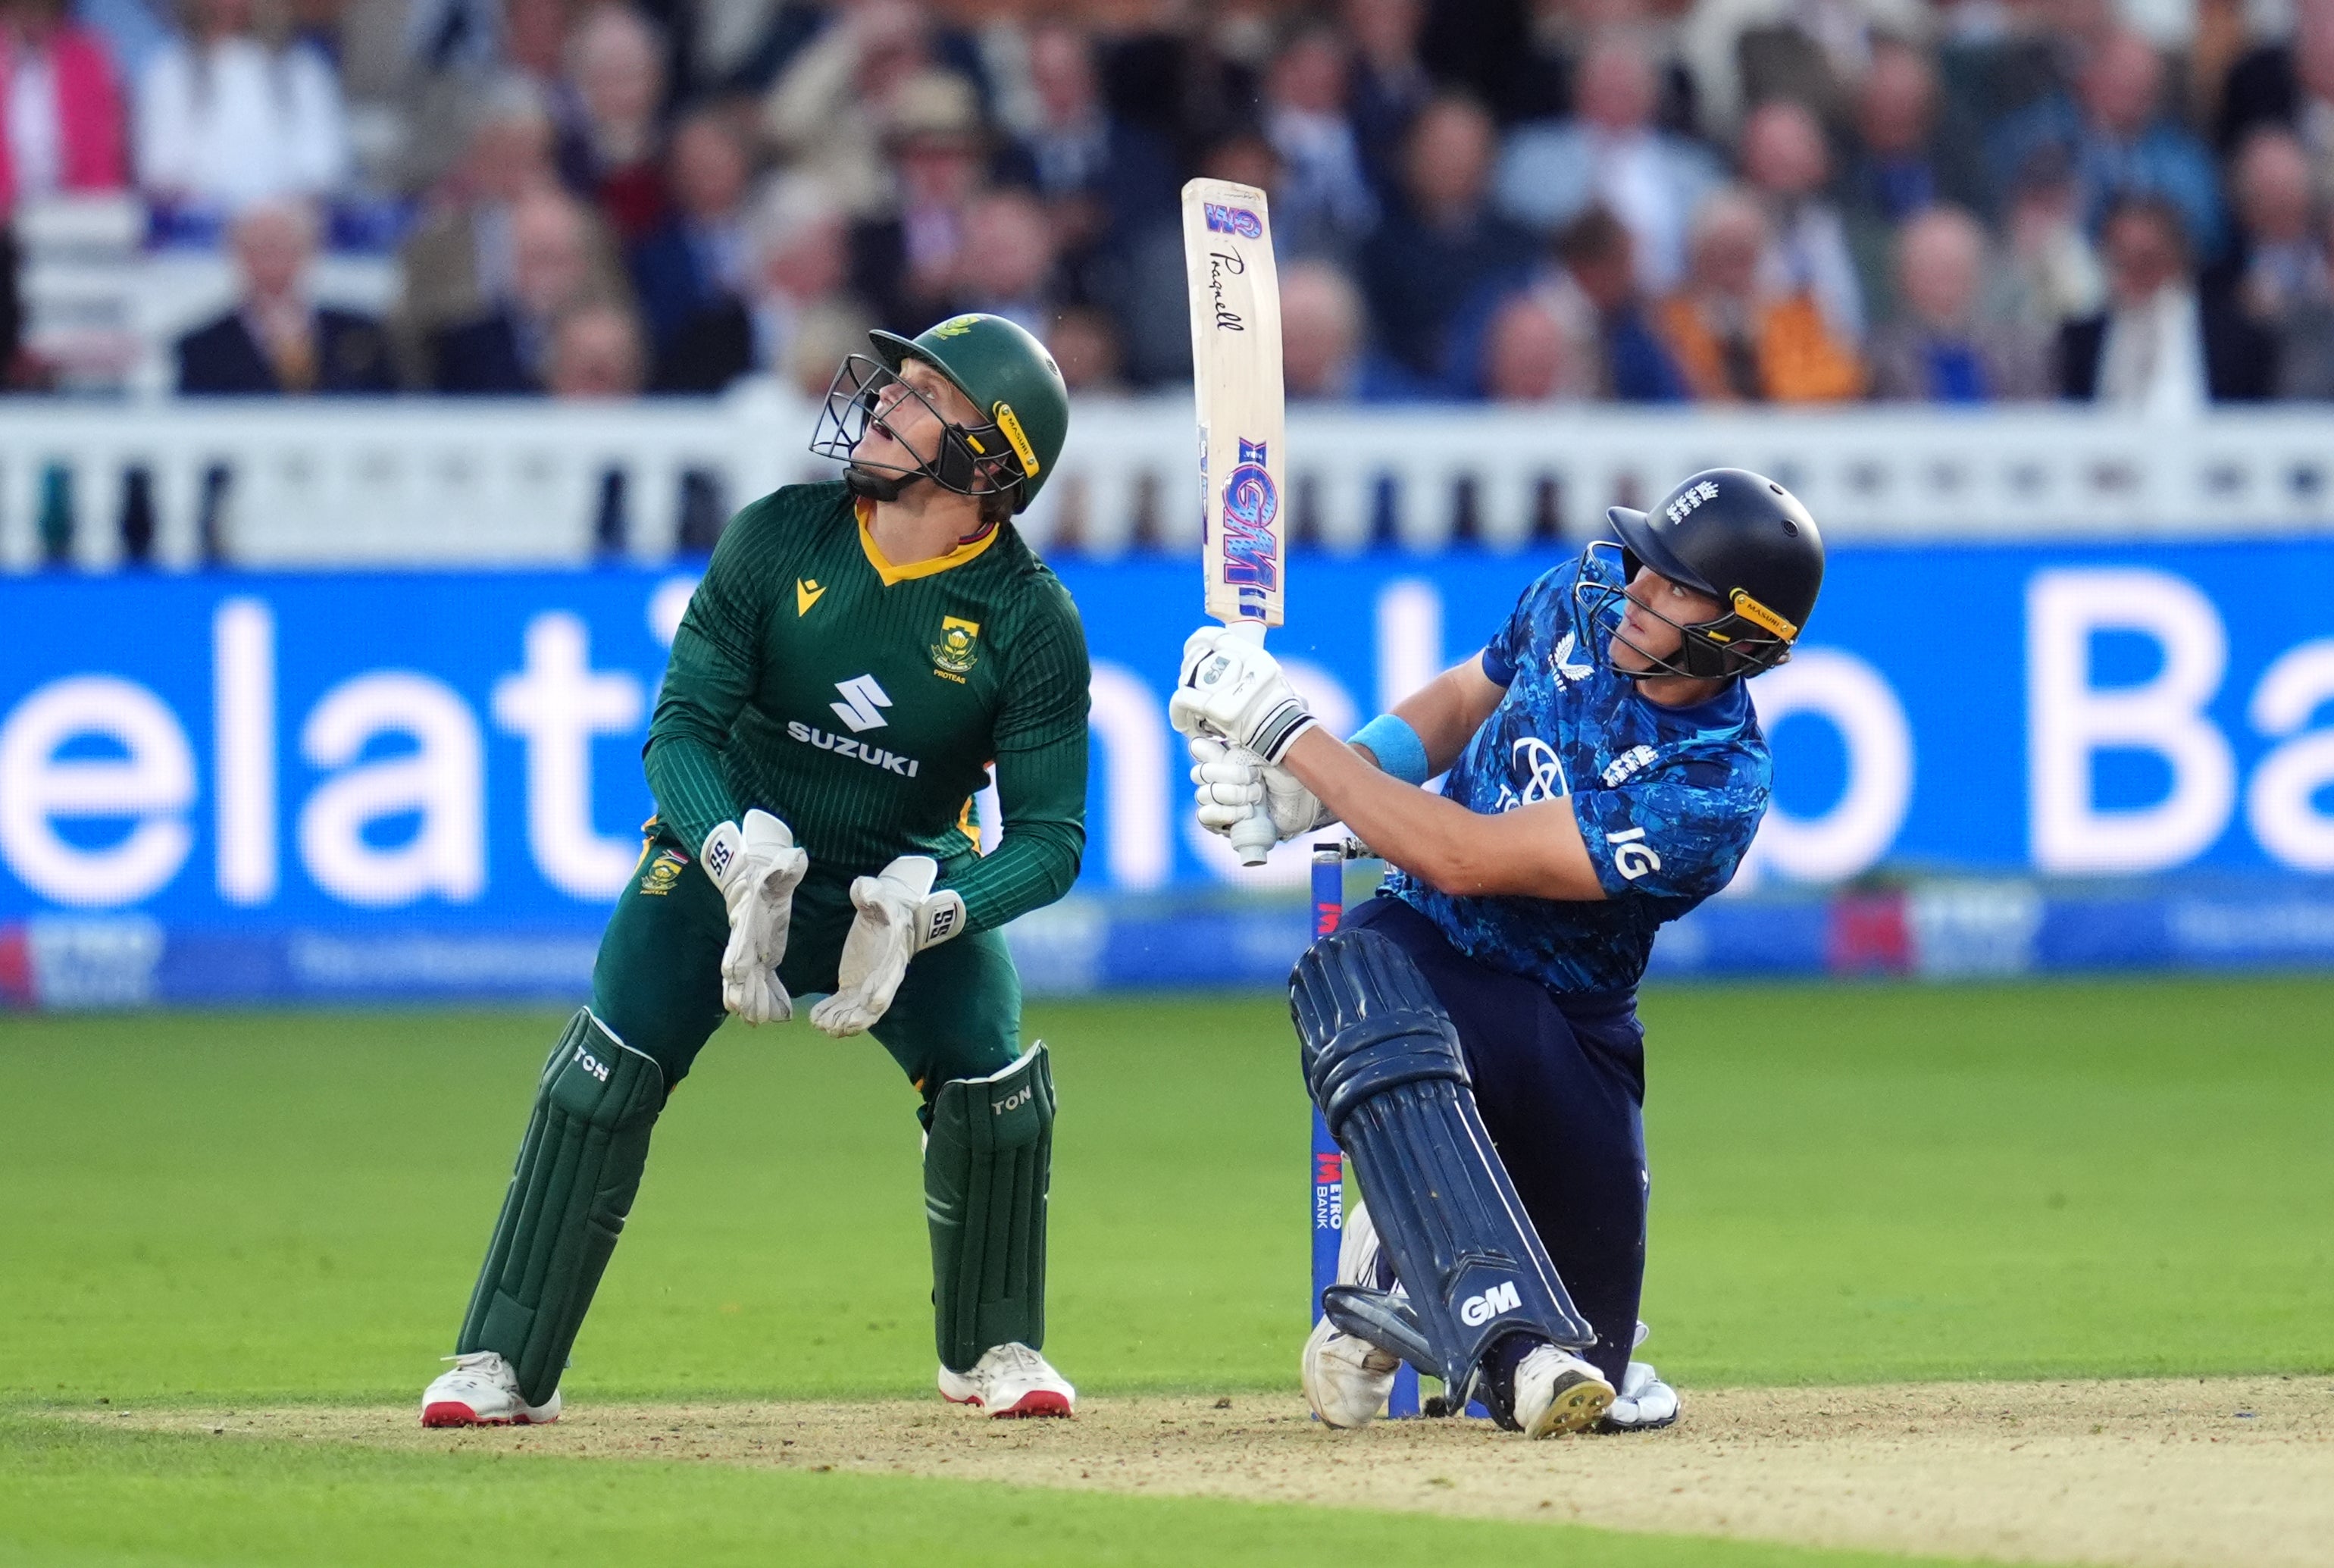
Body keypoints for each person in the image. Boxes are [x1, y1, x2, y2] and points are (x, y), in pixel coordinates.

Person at [421, 311, 1090, 1427]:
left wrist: (936, 914)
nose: (881, 400)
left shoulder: (1028, 619)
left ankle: (995, 1351)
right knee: (606, 1066)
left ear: (988, 458)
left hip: (900, 885)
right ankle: (500, 1362)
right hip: (734, 862)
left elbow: (1052, 839)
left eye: (922, 393)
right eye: (896, 383)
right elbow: (679, 729)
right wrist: (730, 854)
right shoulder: (781, 536)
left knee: (994, 1087)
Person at [1172, 467, 1825, 1437]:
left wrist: (1289, 738)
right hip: (1428, 947)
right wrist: (1336, 775)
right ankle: (1475, 1310)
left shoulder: (1712, 787)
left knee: (1592, 1377)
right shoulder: (1579, 597)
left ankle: (1395, 1248)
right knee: (1356, 970)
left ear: (1739, 634)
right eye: (1644, 562)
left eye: (1673, 585)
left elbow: (1463, 853)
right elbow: (1461, 698)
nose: (1636, 589)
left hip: (1571, 1025)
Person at [2057, 194, 2273, 408]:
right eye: (2121, 260)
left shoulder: (2237, 342)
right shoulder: (2080, 343)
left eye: (2147, 260)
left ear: (2179, 256)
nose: (2133, 273)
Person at [134, 0, 348, 210]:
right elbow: (160, 169)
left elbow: (323, 169)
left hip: (285, 227)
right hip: (198, 230)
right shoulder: (168, 70)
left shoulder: (303, 70)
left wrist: (269, 220)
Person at [176, 199, 394, 393]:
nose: (272, 262)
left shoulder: (362, 335)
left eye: (285, 248)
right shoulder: (202, 348)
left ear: (310, 253)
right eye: (260, 249)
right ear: (236, 255)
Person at [1866, 205, 2048, 402]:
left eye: (1953, 266)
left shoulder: (2022, 354)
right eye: (1930, 267)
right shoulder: (1877, 359)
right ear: (1903, 276)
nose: (1943, 279)